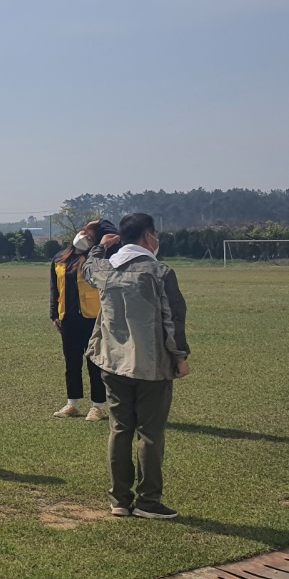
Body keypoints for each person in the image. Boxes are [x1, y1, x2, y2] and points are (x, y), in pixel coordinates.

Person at [81, 213, 191, 520]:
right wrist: (180, 356)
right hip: (151, 364)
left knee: (120, 430)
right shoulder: (160, 272)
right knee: (150, 434)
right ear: (148, 237)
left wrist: (100, 246)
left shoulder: (104, 269)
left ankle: (119, 499)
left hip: (112, 362)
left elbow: (88, 266)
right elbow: (174, 319)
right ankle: (148, 501)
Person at [49, 218, 117, 421]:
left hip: (93, 318)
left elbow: (115, 235)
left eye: (90, 237)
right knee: (71, 364)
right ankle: (72, 403)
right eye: (84, 232)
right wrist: (54, 314)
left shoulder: (96, 260)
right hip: (68, 318)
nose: (84, 236)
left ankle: (98, 406)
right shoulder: (60, 258)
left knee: (95, 364)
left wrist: (101, 222)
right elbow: (54, 288)